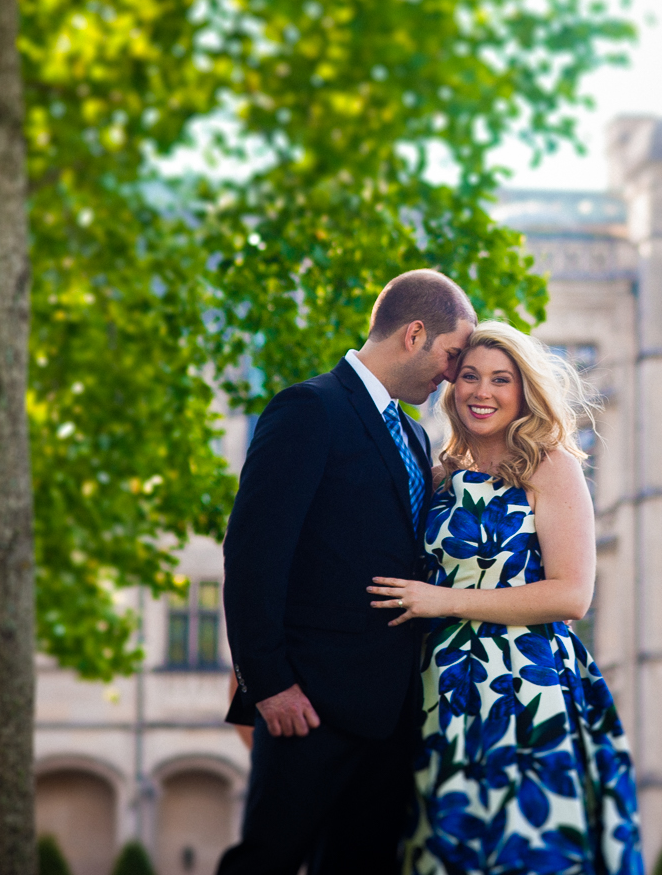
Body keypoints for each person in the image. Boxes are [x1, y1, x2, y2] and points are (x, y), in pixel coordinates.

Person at [217, 270, 477, 875]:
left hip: (390, 718)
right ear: (415, 334)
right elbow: (253, 553)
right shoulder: (310, 408)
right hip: (307, 707)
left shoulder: (414, 435)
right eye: (451, 354)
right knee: (267, 862)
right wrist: (268, 683)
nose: (452, 373)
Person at [367, 322, 643, 874]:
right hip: (439, 688)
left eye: (500, 379)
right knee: (445, 844)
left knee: (526, 842)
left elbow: (571, 595)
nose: (481, 392)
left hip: (525, 685)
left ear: (524, 392)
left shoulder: (552, 467)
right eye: (469, 376)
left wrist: (443, 602)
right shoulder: (436, 475)